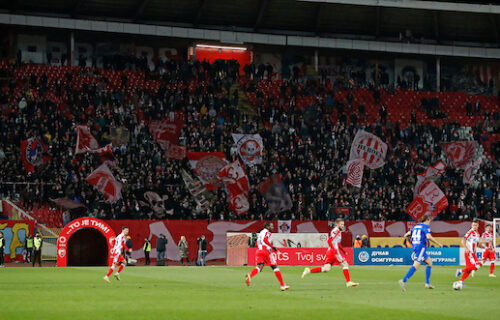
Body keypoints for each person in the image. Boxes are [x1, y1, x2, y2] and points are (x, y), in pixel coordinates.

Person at [301, 218, 358, 288]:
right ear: (337, 224)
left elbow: (337, 243)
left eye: (343, 224)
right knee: (345, 264)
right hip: (333, 252)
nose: (343, 226)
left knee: (326, 269)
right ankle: (348, 282)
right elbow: (329, 240)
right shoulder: (336, 231)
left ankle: (308, 270)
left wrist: (343, 251)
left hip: (331, 252)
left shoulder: (338, 232)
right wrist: (334, 250)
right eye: (341, 224)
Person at [399, 215, 443, 291]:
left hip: (416, 247)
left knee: (429, 262)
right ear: (427, 220)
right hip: (421, 247)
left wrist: (412, 241)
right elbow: (429, 237)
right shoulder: (425, 227)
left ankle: (427, 283)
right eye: (429, 221)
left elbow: (406, 235)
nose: (429, 223)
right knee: (416, 265)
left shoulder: (416, 227)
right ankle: (403, 281)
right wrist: (438, 243)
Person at [245, 221, 290, 291]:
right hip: (266, 251)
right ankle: (282, 285)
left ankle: (250, 276)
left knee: (259, 267)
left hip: (259, 251)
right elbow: (265, 239)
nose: (273, 227)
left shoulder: (260, 233)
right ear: (267, 227)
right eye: (271, 226)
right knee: (275, 267)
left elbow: (257, 243)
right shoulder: (267, 232)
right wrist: (272, 246)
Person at [455, 219, 486, 286]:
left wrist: (486, 248)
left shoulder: (477, 234)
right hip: (469, 253)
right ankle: (460, 270)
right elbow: (463, 240)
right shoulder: (470, 232)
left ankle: (461, 281)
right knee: (477, 265)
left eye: (475, 225)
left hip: (473, 254)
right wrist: (466, 248)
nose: (474, 226)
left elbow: (477, 244)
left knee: (469, 269)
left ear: (478, 225)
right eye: (473, 225)